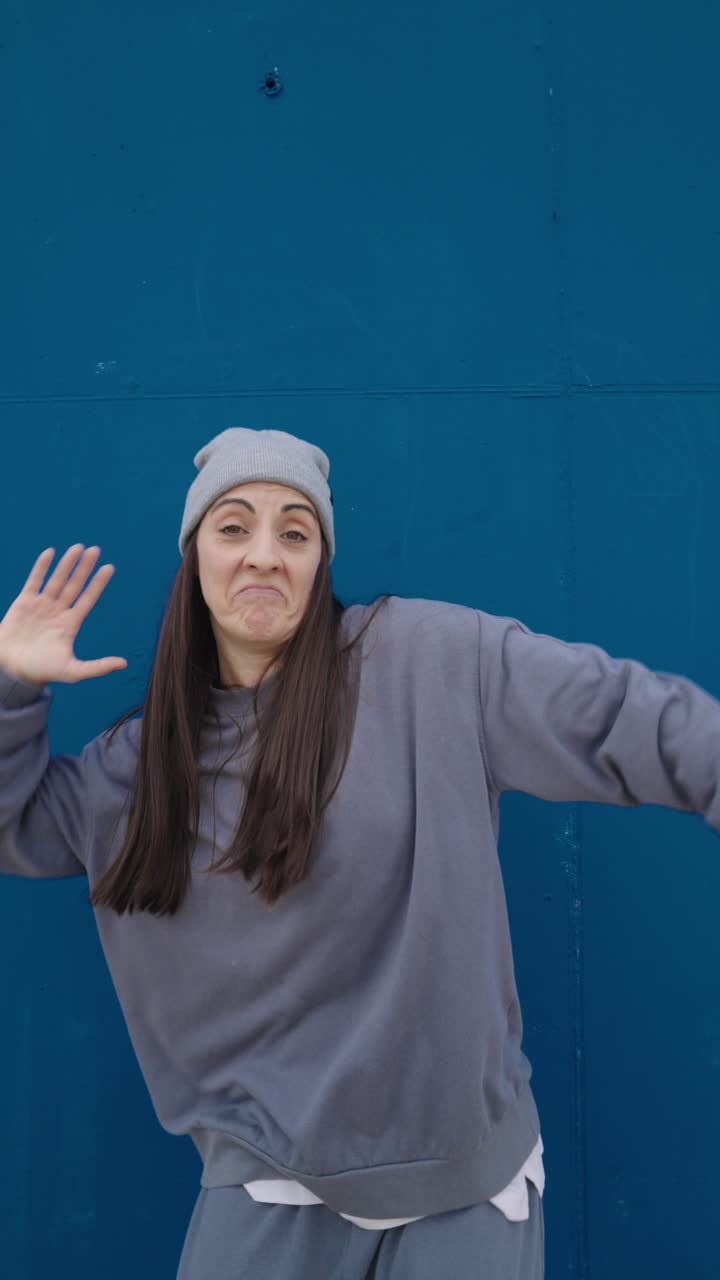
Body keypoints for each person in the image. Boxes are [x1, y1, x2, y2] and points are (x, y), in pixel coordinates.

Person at [1, 427, 718, 1280]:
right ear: (194, 558)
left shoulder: (429, 662)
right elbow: (21, 829)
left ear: (320, 562)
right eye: (234, 527)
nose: (264, 555)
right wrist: (11, 686)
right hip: (265, 1189)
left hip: (466, 1194)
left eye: (295, 532)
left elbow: (621, 717)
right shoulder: (141, 767)